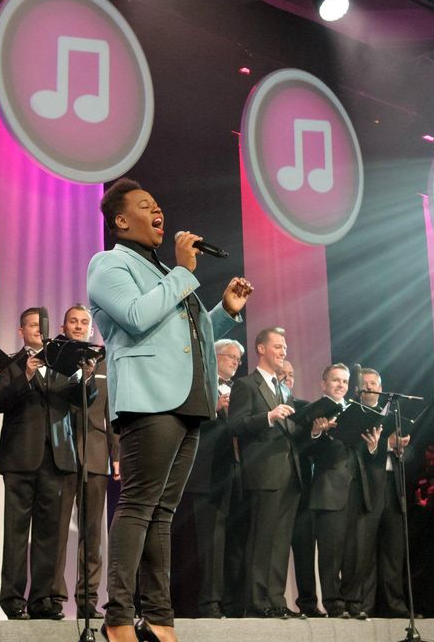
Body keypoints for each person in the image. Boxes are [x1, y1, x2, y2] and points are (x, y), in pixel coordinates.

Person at [86, 178, 252, 642]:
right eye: (145, 206)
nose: (158, 210)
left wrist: (223, 311)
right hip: (148, 398)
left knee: (163, 513)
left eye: (158, 204)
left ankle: (158, 618)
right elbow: (138, 317)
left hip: (187, 401)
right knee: (139, 506)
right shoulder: (109, 263)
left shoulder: (162, 270)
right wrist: (183, 271)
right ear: (121, 220)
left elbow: (181, 334)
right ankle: (117, 616)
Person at [0, 306, 94, 620]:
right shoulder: (10, 362)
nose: (38, 329)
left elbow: (83, 401)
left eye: (41, 325)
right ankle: (12, 600)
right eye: (31, 325)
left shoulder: (63, 365)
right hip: (20, 459)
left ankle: (43, 600)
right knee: (17, 533)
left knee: (51, 534)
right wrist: (27, 375)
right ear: (21, 331)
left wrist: (87, 379)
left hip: (57, 458)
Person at [228, 327, 307, 619]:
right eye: (277, 346)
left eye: (285, 347)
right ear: (261, 348)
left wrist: (312, 428)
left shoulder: (284, 388)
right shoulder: (246, 385)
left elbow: (292, 430)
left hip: (289, 471)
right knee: (261, 538)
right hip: (263, 472)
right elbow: (235, 425)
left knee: (280, 540)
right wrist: (268, 417)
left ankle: (275, 598)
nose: (283, 351)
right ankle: (255, 599)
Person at [53, 304, 119, 620]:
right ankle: (53, 597)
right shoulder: (55, 357)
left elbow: (111, 414)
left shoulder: (105, 360)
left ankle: (88, 599)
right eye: (73, 322)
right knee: (57, 531)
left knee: (93, 534)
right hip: (61, 451)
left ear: (91, 328)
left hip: (95, 454)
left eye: (84, 322)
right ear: (64, 326)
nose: (79, 326)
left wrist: (116, 455)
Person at [308, 364, 381, 619]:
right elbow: (305, 449)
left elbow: (362, 451)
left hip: (356, 487)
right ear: (323, 383)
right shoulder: (315, 410)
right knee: (331, 550)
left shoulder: (356, 410)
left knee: (355, 550)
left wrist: (372, 447)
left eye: (345, 381)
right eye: (335, 380)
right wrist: (317, 432)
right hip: (329, 487)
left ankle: (353, 601)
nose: (341, 385)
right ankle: (334, 602)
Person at [186, 339, 244, 618]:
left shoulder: (241, 389)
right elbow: (185, 420)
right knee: (210, 541)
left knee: (234, 540)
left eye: (238, 359)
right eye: (230, 356)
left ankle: (233, 601)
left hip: (236, 471)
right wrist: (214, 407)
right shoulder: (199, 381)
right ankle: (209, 602)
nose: (234, 361)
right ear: (215, 356)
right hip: (206, 473)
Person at [357, 368, 410, 618]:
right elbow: (357, 451)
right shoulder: (355, 413)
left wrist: (400, 449)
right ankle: (364, 606)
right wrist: (385, 445)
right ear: (358, 389)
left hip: (393, 487)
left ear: (381, 387)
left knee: (394, 551)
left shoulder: (395, 413)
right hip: (367, 488)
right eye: (365, 383)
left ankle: (396, 606)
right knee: (365, 551)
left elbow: (412, 447)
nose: (369, 387)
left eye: (374, 383)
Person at [279, 359, 322, 618]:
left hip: (303, 486)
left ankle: (308, 603)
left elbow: (311, 448)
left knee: (305, 547)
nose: (288, 378)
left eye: (291, 374)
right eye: (282, 374)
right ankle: (275, 601)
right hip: (277, 486)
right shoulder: (269, 406)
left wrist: (316, 432)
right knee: (279, 547)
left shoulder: (306, 408)